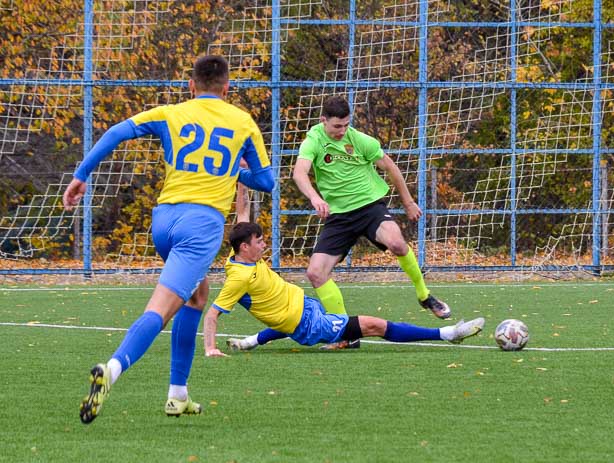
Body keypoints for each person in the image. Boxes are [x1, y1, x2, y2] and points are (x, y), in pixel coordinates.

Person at [62, 55, 274, 424]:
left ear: (191, 86)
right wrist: (234, 173)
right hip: (201, 226)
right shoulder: (243, 123)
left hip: (164, 221)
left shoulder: (170, 113)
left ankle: (178, 395)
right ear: (227, 89)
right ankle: (111, 369)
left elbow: (115, 132)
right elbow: (267, 181)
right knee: (160, 310)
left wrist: (81, 175)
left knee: (197, 296)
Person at [292, 95, 451, 349]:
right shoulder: (314, 140)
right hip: (339, 217)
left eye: (346, 125)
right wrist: (314, 197)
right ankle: (345, 334)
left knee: (398, 244)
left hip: (369, 208)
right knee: (315, 273)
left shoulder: (361, 141)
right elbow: (299, 172)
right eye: (336, 126)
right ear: (323, 121)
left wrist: (408, 202)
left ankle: (424, 295)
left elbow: (390, 167)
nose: (342, 131)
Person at [202, 222, 484, 357]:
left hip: (305, 307)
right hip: (309, 323)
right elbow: (212, 314)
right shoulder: (238, 278)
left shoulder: (239, 255)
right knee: (375, 325)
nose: (264, 244)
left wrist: (240, 182)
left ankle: (252, 341)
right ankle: (448, 334)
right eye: (259, 241)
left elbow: (241, 216)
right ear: (244, 248)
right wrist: (211, 348)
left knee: (286, 317)